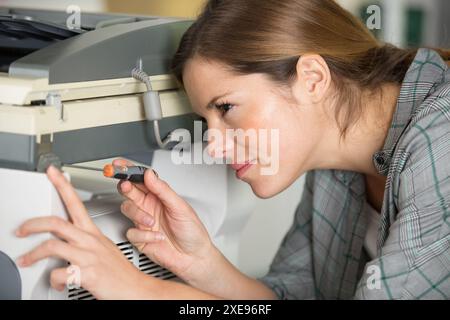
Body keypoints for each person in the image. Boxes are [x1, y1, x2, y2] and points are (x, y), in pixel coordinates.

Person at [16, 0, 450, 299]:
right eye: (207, 122)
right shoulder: (331, 164)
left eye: (227, 108)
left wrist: (139, 289)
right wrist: (203, 265)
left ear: (313, 78)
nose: (216, 146)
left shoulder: (440, 140)